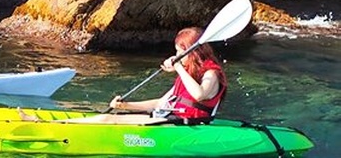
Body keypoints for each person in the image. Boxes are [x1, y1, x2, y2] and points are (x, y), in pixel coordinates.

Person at [37, 26, 226, 125]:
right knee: (113, 115)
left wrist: (179, 69)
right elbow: (162, 103)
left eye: (179, 52)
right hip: (169, 118)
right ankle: (57, 122)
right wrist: (126, 106)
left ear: (191, 53)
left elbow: (200, 95)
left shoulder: (211, 74)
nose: (176, 56)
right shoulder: (187, 74)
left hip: (185, 124)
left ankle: (45, 125)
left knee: (106, 119)